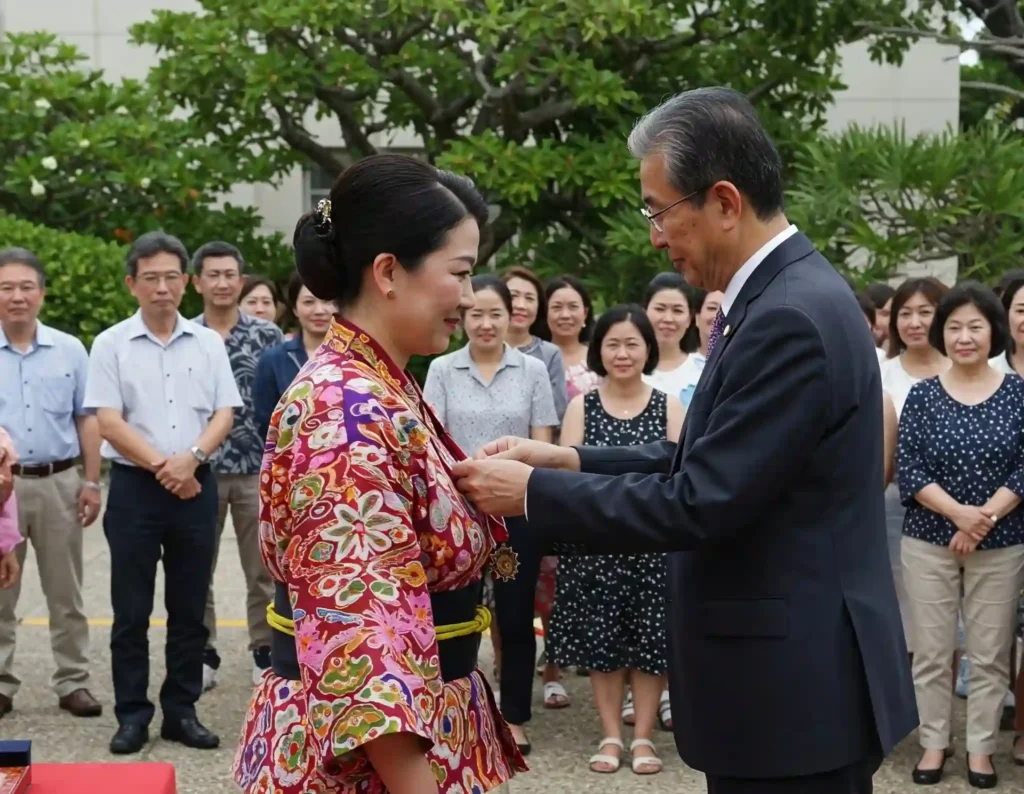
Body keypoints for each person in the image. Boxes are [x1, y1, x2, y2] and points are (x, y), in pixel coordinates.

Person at [453, 86, 917, 794]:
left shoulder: (786, 316)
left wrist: (535, 495)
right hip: (792, 675)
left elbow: (702, 499)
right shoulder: (784, 296)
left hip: (789, 688)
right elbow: (720, 459)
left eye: (659, 211)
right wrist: (570, 457)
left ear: (724, 202)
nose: (654, 235)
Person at [234, 154, 526, 794]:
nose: (473, 297)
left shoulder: (377, 384)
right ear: (390, 272)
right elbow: (363, 655)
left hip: (419, 718)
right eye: (461, 272)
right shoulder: (344, 412)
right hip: (386, 753)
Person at [84, 231, 242, 755]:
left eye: (171, 276)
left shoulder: (209, 343)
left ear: (186, 282)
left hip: (194, 484)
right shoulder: (110, 343)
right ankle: (132, 713)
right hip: (135, 488)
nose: (162, 287)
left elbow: (226, 412)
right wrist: (164, 466)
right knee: (130, 609)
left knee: (189, 607)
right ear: (132, 283)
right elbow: (107, 420)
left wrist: (191, 460)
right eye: (150, 278)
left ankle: (181, 710)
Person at [424, 274, 559, 753]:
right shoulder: (441, 369)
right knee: (452, 613)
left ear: (511, 317)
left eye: (494, 313)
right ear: (462, 317)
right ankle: (446, 712)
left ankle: (514, 716)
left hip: (516, 510)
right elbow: (431, 442)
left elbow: (543, 443)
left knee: (516, 615)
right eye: (475, 313)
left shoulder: (532, 371)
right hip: (454, 511)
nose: (484, 323)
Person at [897, 282, 1024, 789]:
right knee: (931, 650)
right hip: (928, 540)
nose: (964, 336)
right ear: (940, 333)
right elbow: (908, 468)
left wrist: (983, 519)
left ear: (992, 331)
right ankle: (934, 743)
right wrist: (958, 516)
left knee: (990, 653)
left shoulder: (1018, 392)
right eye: (953, 327)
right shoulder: (923, 395)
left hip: (1002, 541)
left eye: (974, 326)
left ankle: (981, 751)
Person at [550, 304, 684, 776]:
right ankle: (610, 735)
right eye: (612, 343)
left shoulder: (669, 405)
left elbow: (679, 478)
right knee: (602, 646)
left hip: (653, 544)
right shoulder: (579, 406)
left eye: (632, 343)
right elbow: (567, 478)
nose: (622, 353)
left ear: (647, 348)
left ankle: (644, 737)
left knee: (651, 644)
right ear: (598, 349)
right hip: (595, 544)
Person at [0, 247, 103, 721]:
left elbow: (87, 418)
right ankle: (1, 683)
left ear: (41, 293)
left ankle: (73, 680)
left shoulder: (70, 349)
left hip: (60, 481)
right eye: (6, 288)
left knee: (67, 592)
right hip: (2, 490)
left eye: (25, 287)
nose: (16, 297)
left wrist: (92, 480)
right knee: (2, 589)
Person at [191, 241, 283, 691]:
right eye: (213, 274)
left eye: (230, 274)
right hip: (198, 469)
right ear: (197, 282)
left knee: (261, 568)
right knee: (197, 566)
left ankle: (263, 650)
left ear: (241, 281)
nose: (223, 282)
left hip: (254, 469)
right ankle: (203, 650)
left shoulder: (267, 336)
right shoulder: (186, 335)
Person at [251, 272, 335, 442]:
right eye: (309, 302)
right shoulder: (274, 360)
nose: (319, 310)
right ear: (295, 308)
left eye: (327, 301)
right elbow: (264, 422)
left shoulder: (355, 357)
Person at [501, 266, 568, 421]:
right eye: (513, 296)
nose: (521, 305)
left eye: (530, 298)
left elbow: (557, 412)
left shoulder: (550, 354)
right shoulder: (480, 350)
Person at [641, 272, 694, 399]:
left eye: (677, 310)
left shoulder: (706, 371)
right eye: (660, 309)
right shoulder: (624, 366)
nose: (668, 319)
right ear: (645, 312)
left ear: (689, 319)